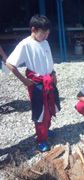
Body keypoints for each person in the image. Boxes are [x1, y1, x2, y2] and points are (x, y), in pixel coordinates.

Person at [6, 15, 60, 152]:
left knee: (50, 107)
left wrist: (53, 74)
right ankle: (41, 139)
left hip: (49, 80)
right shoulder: (25, 44)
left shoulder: (45, 42)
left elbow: (49, 60)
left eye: (48, 33)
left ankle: (46, 131)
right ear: (33, 29)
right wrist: (24, 80)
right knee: (40, 111)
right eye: (43, 33)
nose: (46, 36)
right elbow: (10, 63)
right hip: (37, 83)